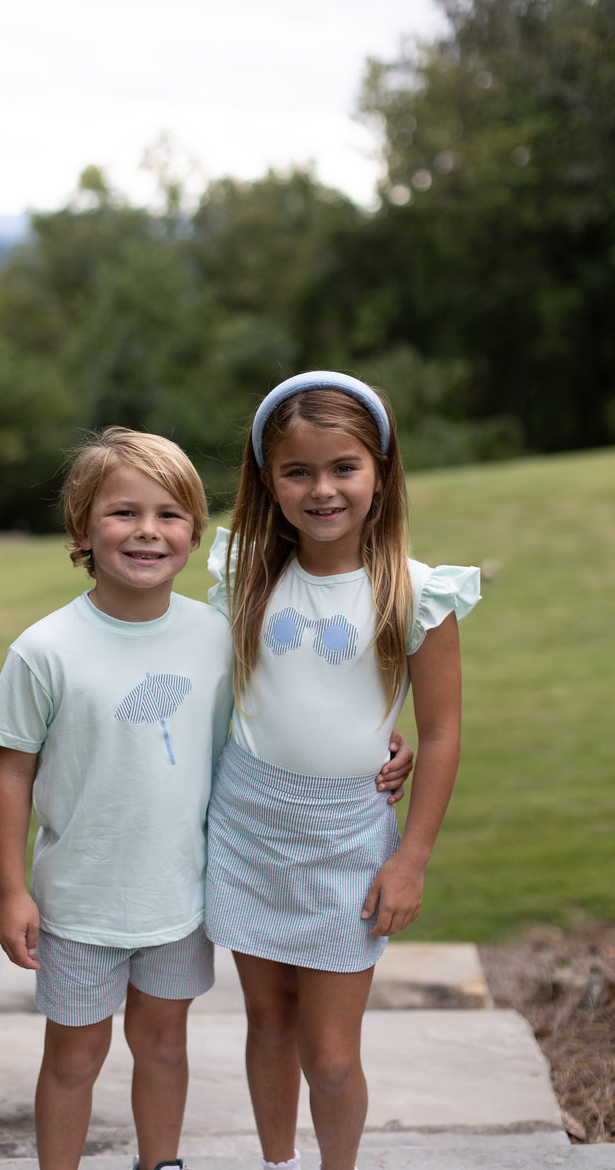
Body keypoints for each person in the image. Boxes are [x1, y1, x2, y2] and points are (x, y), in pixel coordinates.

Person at [204, 371, 481, 1170]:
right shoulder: (246, 573)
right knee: (268, 1023)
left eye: (343, 467)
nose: (322, 489)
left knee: (328, 1054)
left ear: (382, 472)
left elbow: (444, 731)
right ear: (267, 479)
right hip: (249, 827)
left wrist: (411, 858)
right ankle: (277, 1164)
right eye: (297, 471)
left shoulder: (418, 593)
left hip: (347, 843)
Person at [0, 427, 234, 1170]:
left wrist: (383, 744)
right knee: (74, 1058)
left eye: (170, 513)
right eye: (123, 512)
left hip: (180, 894)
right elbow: (10, 771)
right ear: (83, 527)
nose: (148, 531)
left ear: (192, 532)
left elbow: (267, 729)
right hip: (79, 902)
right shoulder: (46, 649)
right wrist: (12, 890)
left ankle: (162, 1164)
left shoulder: (215, 637)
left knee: (162, 1046)